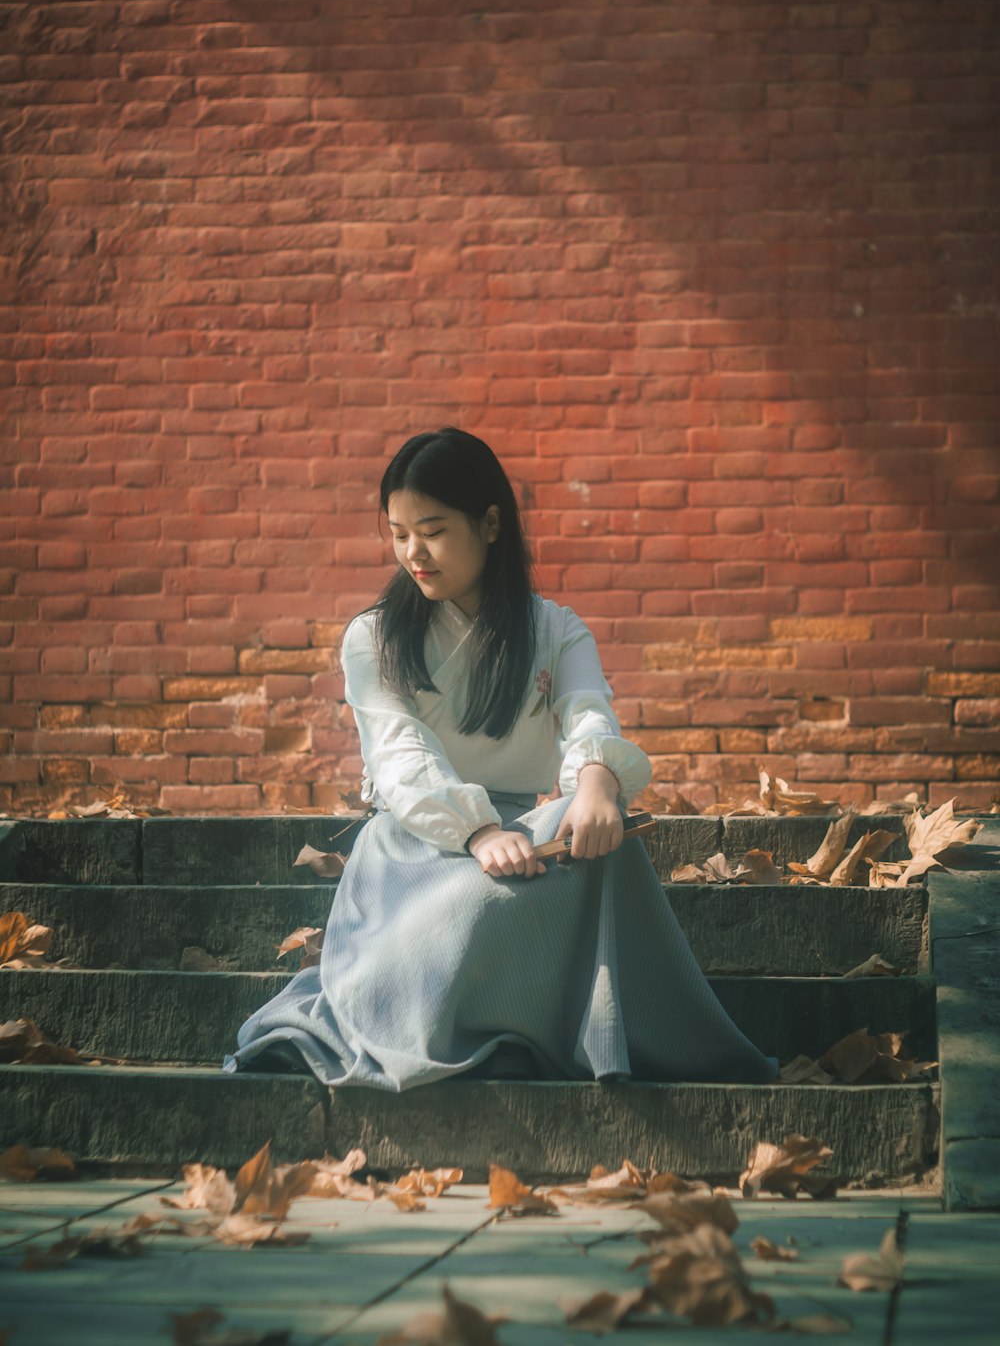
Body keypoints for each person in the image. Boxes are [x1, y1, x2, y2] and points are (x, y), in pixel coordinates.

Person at [222, 428, 778, 1087]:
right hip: (415, 844)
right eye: (398, 533)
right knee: (492, 895)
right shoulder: (372, 638)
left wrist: (598, 784)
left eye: (431, 530)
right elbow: (400, 756)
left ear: (489, 524)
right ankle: (476, 1026)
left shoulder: (554, 629)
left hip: (525, 835)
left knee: (604, 841)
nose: (412, 553)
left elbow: (586, 711)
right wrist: (478, 831)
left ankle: (578, 1035)